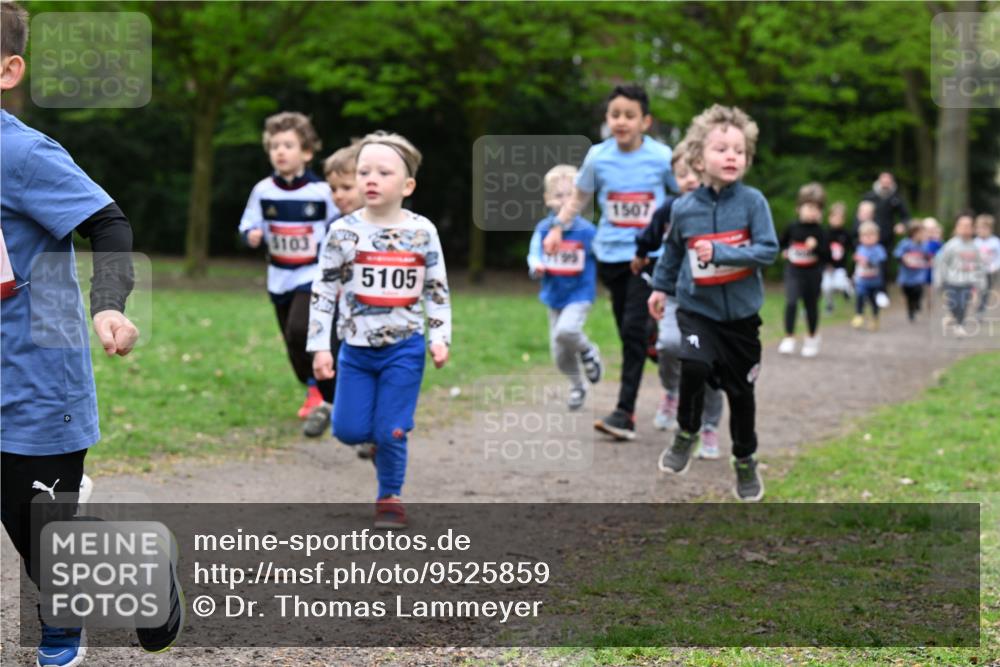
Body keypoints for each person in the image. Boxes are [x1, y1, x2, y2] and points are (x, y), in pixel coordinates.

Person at [0, 2, 181, 664]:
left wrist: (109, 304)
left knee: (38, 528)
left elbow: (107, 222)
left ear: (8, 71)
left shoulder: (21, 153)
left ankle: (106, 595)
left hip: (35, 373)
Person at [308, 131, 451, 529]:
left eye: (383, 173)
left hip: (405, 348)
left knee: (391, 431)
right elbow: (323, 290)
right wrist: (320, 346)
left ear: (407, 186)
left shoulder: (423, 232)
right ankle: (381, 440)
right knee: (349, 430)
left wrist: (440, 337)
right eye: (363, 172)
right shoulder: (342, 232)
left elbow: (437, 290)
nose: (371, 179)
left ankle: (390, 496)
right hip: (354, 350)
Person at [648, 104, 778, 501]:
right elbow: (672, 253)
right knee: (694, 364)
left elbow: (768, 250)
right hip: (697, 311)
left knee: (741, 394)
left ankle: (744, 459)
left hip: (741, 320)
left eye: (739, 150)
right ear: (698, 159)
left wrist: (723, 253)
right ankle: (686, 432)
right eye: (721, 149)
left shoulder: (753, 203)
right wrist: (659, 288)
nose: (732, 156)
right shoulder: (684, 208)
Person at [542, 84, 676, 441]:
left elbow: (683, 195)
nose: (621, 121)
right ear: (607, 119)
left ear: (645, 121)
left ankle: (624, 413)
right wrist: (557, 227)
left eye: (630, 115)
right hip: (611, 257)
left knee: (632, 329)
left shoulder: (662, 157)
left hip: (648, 257)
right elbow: (578, 198)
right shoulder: (598, 157)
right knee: (630, 331)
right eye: (615, 115)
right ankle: (659, 352)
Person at [238, 112, 339, 423]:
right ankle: (313, 387)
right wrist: (251, 235)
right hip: (278, 277)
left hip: (312, 275)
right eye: (274, 146)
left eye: (288, 145)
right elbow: (247, 223)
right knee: (291, 339)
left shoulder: (322, 192)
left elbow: (338, 224)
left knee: (300, 328)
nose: (280, 151)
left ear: (307, 152)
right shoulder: (263, 190)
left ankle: (323, 391)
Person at [637, 142, 725, 458]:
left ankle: (710, 427)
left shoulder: (719, 209)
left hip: (713, 301)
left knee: (710, 365)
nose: (689, 179)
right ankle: (672, 391)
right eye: (681, 174)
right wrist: (640, 254)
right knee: (669, 346)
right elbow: (648, 237)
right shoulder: (669, 210)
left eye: (694, 173)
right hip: (674, 296)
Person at [299, 141, 365, 439]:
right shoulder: (334, 226)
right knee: (328, 360)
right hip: (337, 310)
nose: (338, 195)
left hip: (372, 315)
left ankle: (365, 427)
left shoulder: (388, 227)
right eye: (333, 189)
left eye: (346, 188)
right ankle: (328, 402)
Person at [527, 165, 602, 410]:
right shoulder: (543, 229)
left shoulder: (587, 231)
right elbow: (534, 253)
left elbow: (603, 253)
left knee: (566, 330)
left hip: (580, 293)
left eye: (570, 195)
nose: (564, 201)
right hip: (554, 295)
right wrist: (537, 266)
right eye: (558, 195)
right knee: (559, 355)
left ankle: (588, 351)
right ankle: (578, 386)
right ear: (547, 199)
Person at [778, 183, 830, 357]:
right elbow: (781, 243)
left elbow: (827, 256)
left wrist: (816, 247)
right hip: (794, 271)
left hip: (813, 273)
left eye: (817, 209)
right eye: (809, 207)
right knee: (791, 301)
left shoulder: (821, 231)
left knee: (811, 305)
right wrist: (784, 251)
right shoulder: (792, 227)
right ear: (798, 208)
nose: (812, 212)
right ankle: (789, 337)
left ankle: (811, 337)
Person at [934, 212, 986, 336]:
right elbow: (941, 263)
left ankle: (960, 325)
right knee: (953, 304)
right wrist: (939, 280)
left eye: (968, 226)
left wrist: (981, 282)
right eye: (962, 225)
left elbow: (980, 266)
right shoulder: (950, 245)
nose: (965, 228)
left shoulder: (975, 247)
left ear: (973, 228)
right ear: (956, 227)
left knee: (963, 304)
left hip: (967, 281)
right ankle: (952, 315)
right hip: (951, 281)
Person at [861, 171, 910, 290]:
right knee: (867, 262)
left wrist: (902, 225)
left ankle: (882, 289)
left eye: (888, 181)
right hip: (869, 236)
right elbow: (860, 215)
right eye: (884, 181)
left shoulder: (896, 198)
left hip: (887, 236)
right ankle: (866, 289)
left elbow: (905, 217)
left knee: (884, 263)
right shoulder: (870, 197)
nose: (886, 184)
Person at [851, 221, 888, 331]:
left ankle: (874, 318)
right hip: (862, 280)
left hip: (875, 282)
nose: (868, 238)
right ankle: (859, 314)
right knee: (860, 296)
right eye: (865, 235)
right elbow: (858, 265)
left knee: (874, 301)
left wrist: (868, 261)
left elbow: (881, 263)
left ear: (877, 236)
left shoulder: (879, 249)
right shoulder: (860, 249)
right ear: (860, 237)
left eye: (871, 235)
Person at [894, 221, 930, 322]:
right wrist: (903, 258)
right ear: (913, 233)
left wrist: (927, 259)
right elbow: (897, 254)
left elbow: (927, 256)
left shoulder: (924, 245)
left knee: (918, 290)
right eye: (920, 233)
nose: (922, 235)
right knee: (908, 295)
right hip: (906, 275)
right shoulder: (905, 243)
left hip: (919, 274)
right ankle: (911, 311)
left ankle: (917, 303)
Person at [821, 201, 854, 313]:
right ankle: (829, 305)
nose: (837, 220)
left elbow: (852, 248)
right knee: (826, 287)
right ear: (829, 218)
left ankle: (847, 287)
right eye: (834, 217)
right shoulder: (824, 233)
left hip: (840, 266)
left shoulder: (845, 234)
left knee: (839, 285)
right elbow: (822, 251)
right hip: (827, 267)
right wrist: (825, 264)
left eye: (840, 218)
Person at [974, 213, 999, 320]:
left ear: (990, 229)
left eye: (985, 228)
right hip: (976, 272)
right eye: (980, 228)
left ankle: (981, 310)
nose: (982, 231)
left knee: (986, 291)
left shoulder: (995, 242)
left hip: (989, 272)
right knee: (976, 290)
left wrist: (994, 266)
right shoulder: (975, 242)